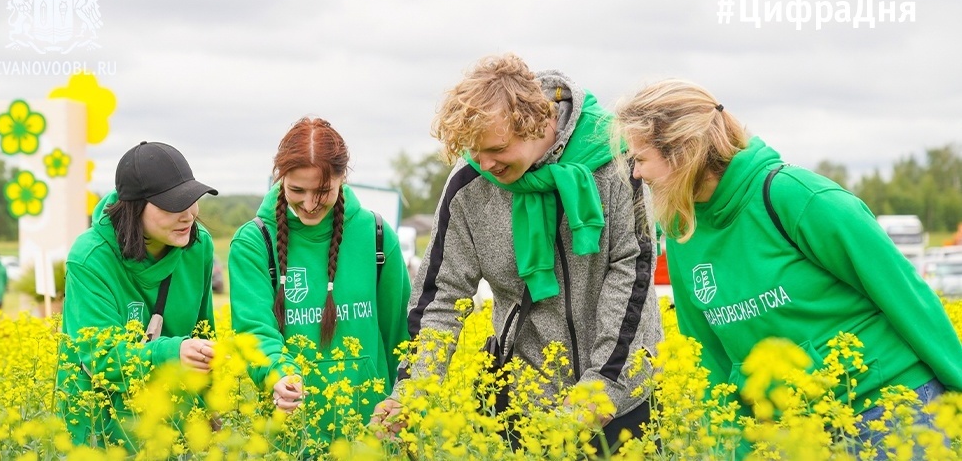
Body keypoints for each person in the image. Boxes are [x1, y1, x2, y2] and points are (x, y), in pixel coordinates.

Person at [614, 79, 962, 455]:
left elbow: (905, 295)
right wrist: (732, 447)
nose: (635, 174)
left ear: (683, 152)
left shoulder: (797, 196)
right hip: (794, 434)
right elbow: (707, 355)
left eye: (640, 159)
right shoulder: (682, 231)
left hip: (888, 408)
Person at [372, 53, 663, 448]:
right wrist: (414, 389)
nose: (484, 164)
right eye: (474, 151)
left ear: (537, 121)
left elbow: (633, 274)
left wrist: (601, 387)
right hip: (522, 403)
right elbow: (441, 296)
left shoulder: (617, 158)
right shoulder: (468, 185)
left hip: (621, 398)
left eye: (495, 148)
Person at [229, 118, 410, 452]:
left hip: (372, 437)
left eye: (323, 191)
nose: (309, 204)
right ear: (279, 178)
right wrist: (279, 374)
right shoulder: (254, 243)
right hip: (292, 440)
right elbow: (254, 330)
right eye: (297, 190)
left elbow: (398, 336)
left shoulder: (377, 236)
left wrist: (405, 403)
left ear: (343, 178)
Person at [56, 141, 219, 449]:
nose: (188, 216)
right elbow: (100, 357)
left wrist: (210, 406)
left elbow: (203, 331)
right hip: (99, 429)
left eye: (192, 200)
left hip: (173, 424)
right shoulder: (90, 257)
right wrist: (173, 353)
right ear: (134, 207)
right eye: (173, 205)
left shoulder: (199, 247)